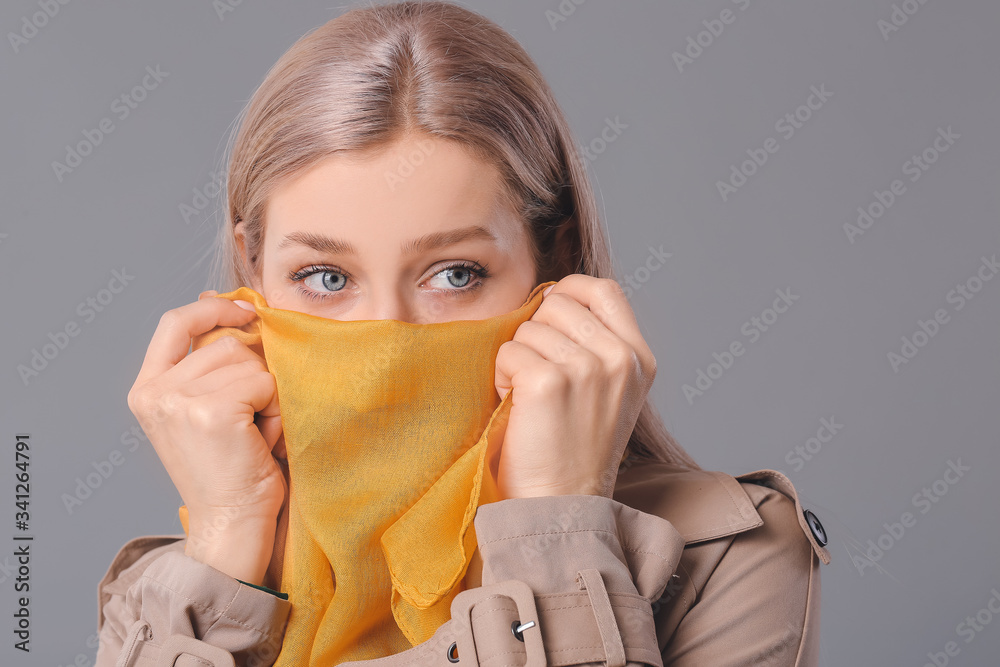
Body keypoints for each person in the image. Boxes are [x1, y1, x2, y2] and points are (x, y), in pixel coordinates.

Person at [95, 2, 831, 666]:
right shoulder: (166, 597)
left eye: (454, 275)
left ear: (558, 263)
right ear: (252, 274)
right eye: (325, 277)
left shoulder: (733, 555)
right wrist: (224, 552)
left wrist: (555, 521)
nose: (387, 342)